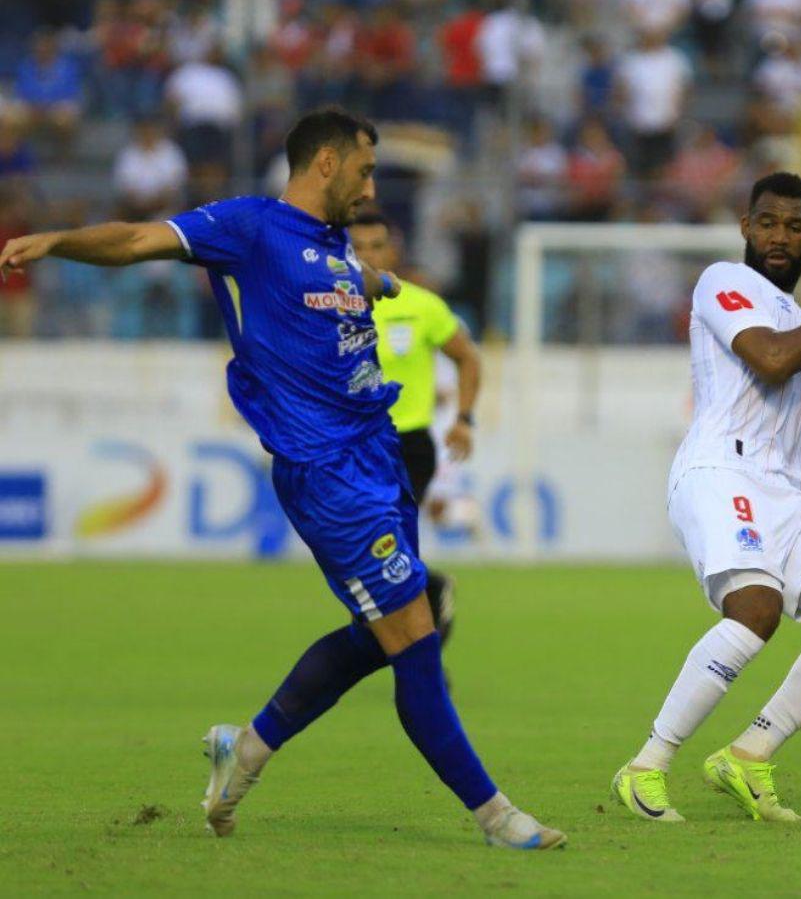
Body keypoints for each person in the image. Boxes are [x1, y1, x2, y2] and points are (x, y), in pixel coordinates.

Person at [0, 106, 564, 851]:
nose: (369, 188)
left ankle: (250, 748)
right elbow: (140, 239)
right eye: (363, 171)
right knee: (417, 639)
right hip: (326, 470)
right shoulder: (248, 227)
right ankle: (496, 816)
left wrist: (376, 282)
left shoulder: (330, 244)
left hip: (380, 455)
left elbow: (338, 282)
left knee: (380, 633)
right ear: (324, 163)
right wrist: (57, 243)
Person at [611, 172, 801, 823]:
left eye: (794, 226)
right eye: (768, 222)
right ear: (747, 227)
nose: (780, 236)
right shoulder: (725, 282)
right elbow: (772, 359)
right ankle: (646, 766)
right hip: (721, 470)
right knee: (757, 609)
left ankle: (749, 754)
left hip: (786, 493)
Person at [348, 210, 482, 654]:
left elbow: (468, 357)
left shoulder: (419, 305)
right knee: (368, 558)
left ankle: (420, 659)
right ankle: (430, 597)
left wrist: (463, 419)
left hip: (406, 444)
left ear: (392, 250)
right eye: (357, 247)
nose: (367, 255)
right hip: (349, 444)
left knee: (386, 553)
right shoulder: (326, 305)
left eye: (375, 246)